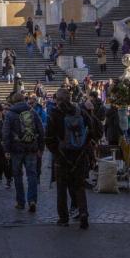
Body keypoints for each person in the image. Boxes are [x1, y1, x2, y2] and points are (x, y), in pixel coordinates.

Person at [46, 88, 97, 228]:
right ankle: (83, 213)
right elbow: (92, 130)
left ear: (58, 99)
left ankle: (63, 218)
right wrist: (84, 146)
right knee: (79, 186)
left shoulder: (54, 114)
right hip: (79, 155)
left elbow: (49, 137)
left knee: (61, 188)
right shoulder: (80, 111)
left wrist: (56, 152)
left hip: (62, 156)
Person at [3, 91, 44, 212]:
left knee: (17, 175)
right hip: (31, 148)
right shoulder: (32, 111)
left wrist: (7, 149)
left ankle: (20, 202)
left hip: (16, 149)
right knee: (32, 174)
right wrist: (41, 148)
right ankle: (32, 200)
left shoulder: (10, 114)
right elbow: (41, 130)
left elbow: (5, 133)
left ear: (13, 102)